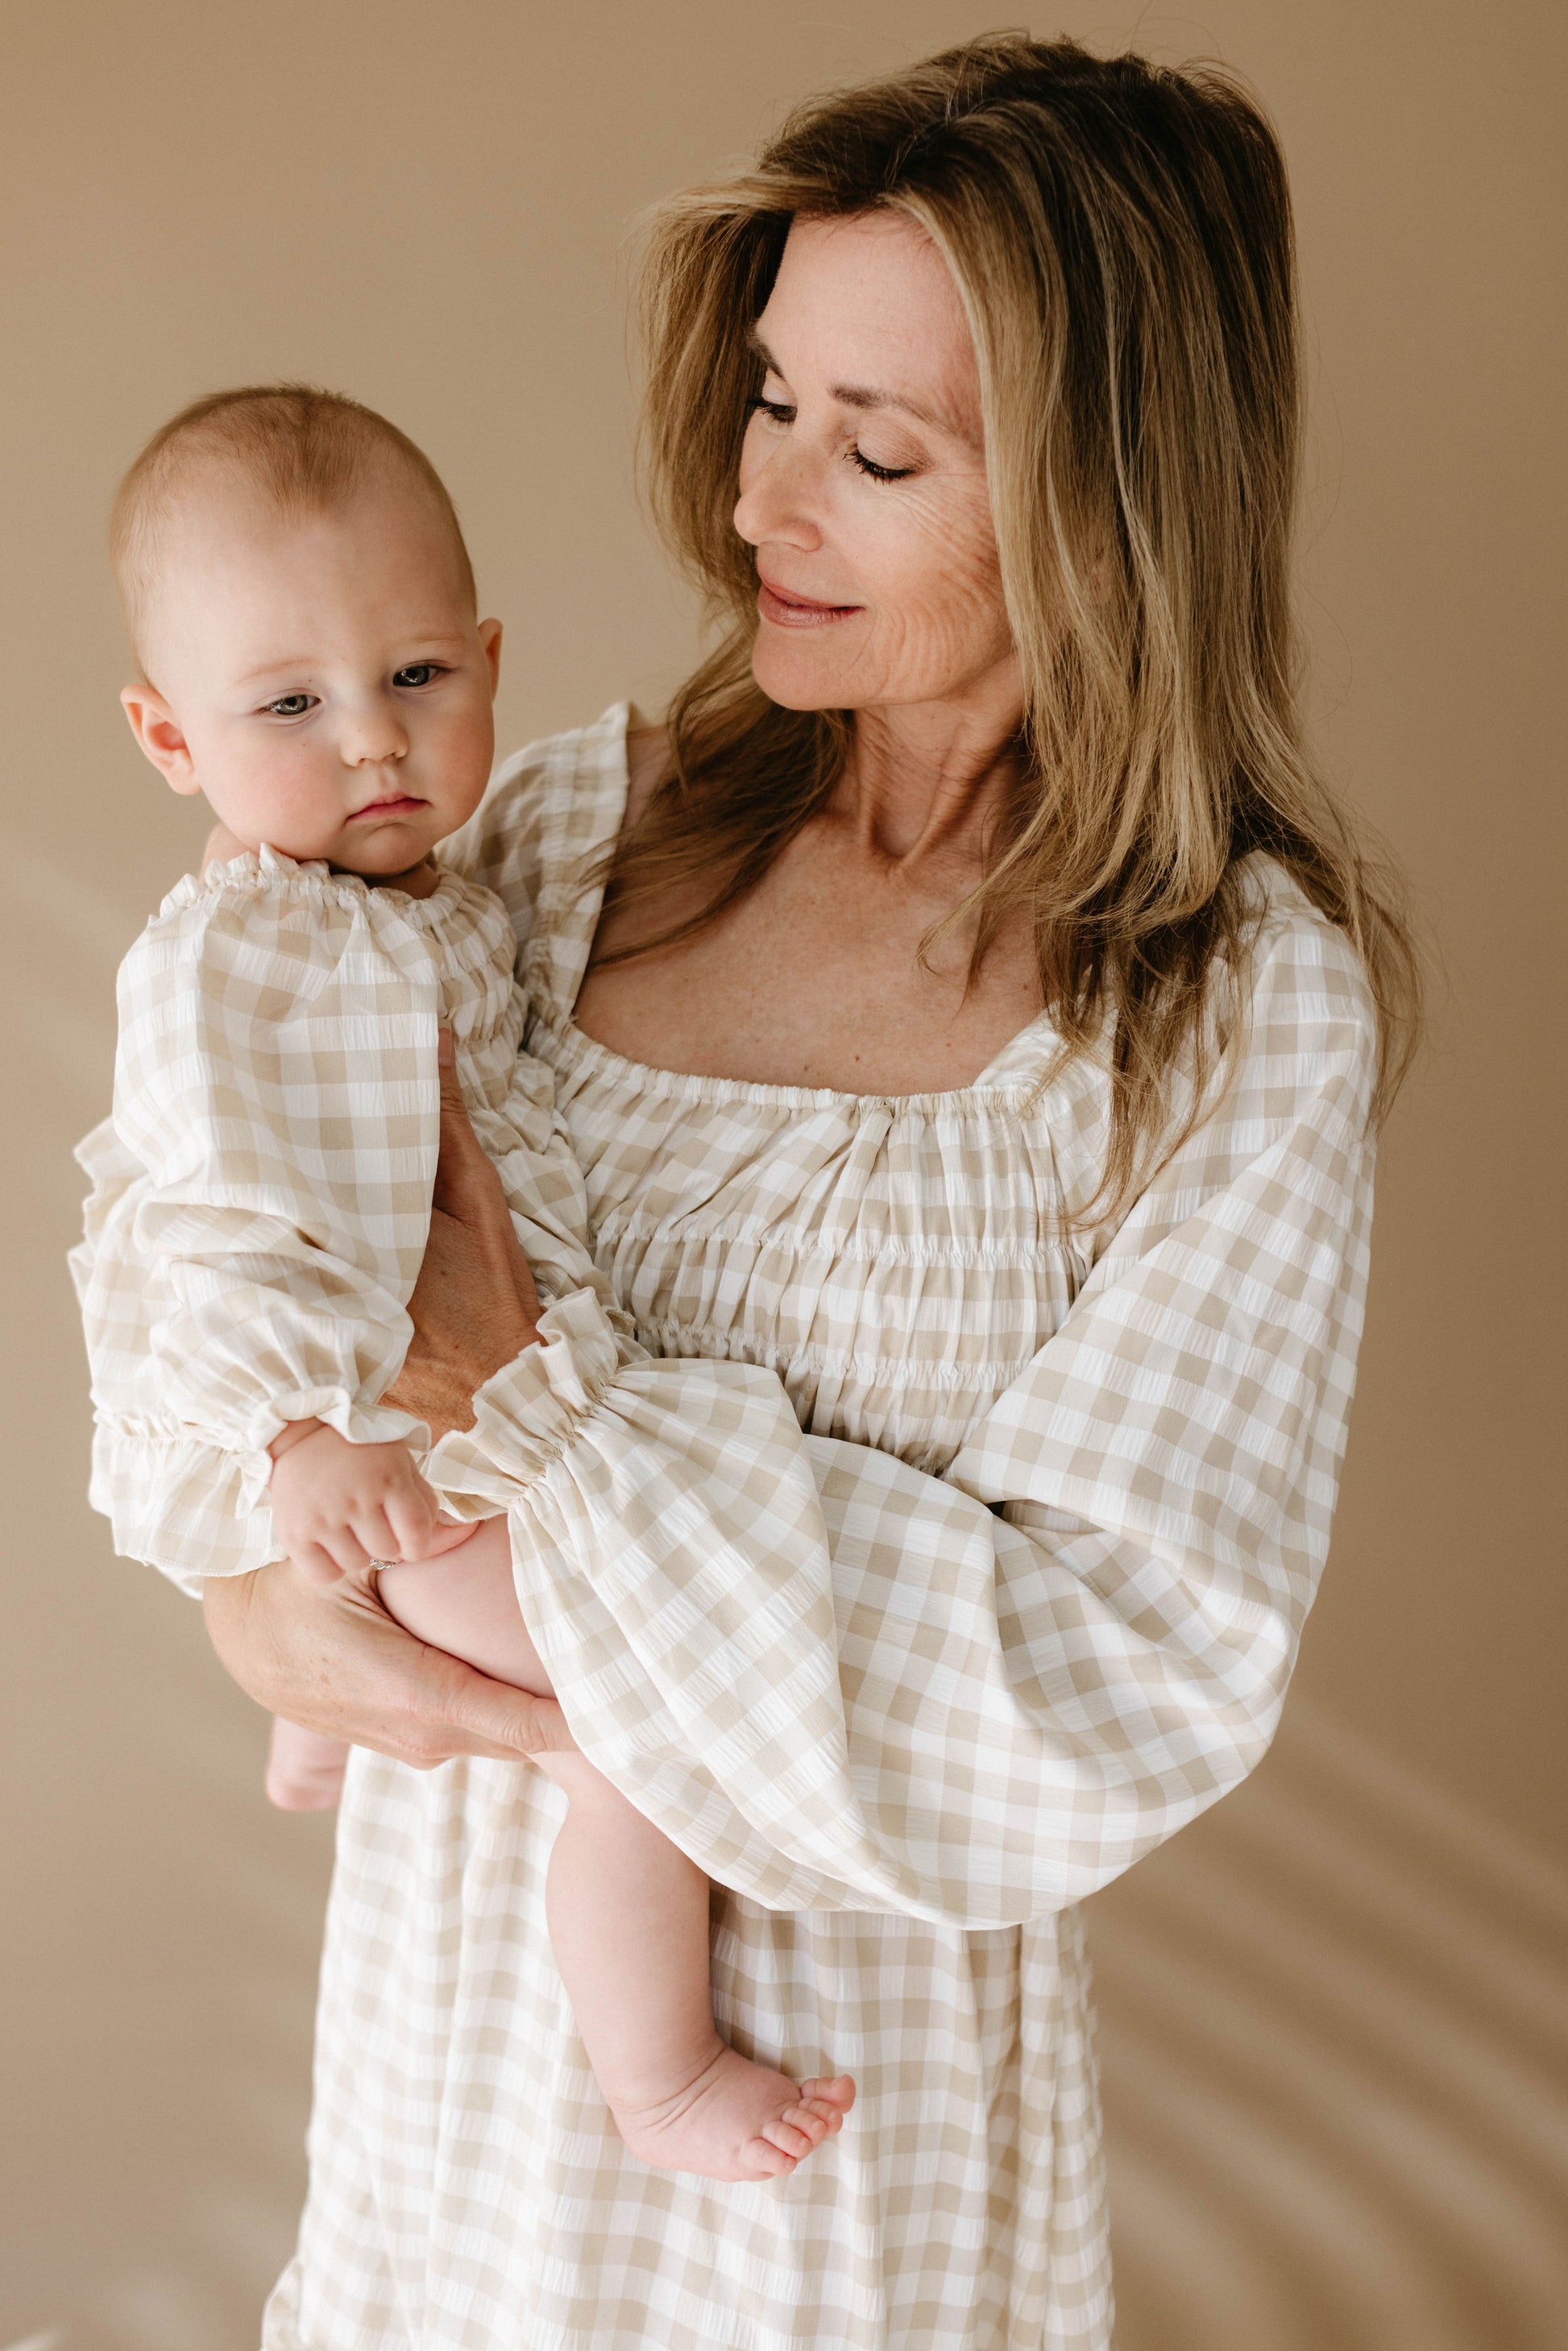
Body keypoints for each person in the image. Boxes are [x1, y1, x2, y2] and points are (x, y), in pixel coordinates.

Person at [197, 35, 1421, 2350]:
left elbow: (1094, 1679)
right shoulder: (556, 839)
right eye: (773, 399)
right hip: (445, 2097)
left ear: (1105, 505)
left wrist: (552, 1414)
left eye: (876, 450)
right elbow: (234, 1186)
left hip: (836, 2170)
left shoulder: (1228, 1005)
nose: (769, 503)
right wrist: (252, 1578)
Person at [72, 384, 854, 2183]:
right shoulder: (239, 953)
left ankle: (312, 1716)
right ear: (168, 735)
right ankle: (657, 2079)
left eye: (417, 677)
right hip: (356, 1449)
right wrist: (288, 1439)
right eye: (288, 706)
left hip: (418, 1437)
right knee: (632, 1732)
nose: (371, 743)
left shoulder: (432, 894)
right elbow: (201, 1218)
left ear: (487, 654)